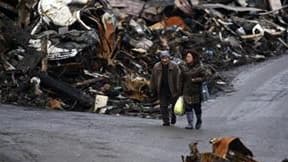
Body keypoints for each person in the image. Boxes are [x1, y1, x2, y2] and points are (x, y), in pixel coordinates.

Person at [150, 50, 181, 126]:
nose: (164, 60)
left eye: (166, 58)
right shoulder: (156, 66)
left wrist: (178, 89)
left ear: (169, 58)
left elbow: (178, 78)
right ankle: (166, 121)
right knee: (163, 106)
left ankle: (173, 117)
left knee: (174, 105)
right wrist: (152, 89)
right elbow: (153, 79)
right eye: (163, 58)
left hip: (172, 88)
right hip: (162, 88)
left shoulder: (174, 66)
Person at [180, 50, 207, 129]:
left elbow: (205, 77)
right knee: (188, 107)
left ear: (193, 58)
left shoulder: (199, 67)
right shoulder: (183, 66)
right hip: (186, 90)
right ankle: (190, 123)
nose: (187, 58)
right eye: (186, 57)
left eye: (189, 57)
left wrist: (196, 80)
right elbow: (181, 78)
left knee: (197, 107)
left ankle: (199, 120)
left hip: (196, 91)